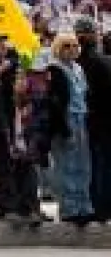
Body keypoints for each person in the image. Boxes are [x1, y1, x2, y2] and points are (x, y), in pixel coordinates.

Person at [0, 33, 39, 227]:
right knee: (3, 166)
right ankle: (7, 208)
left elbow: (27, 89)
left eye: (2, 43)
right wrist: (10, 63)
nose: (1, 46)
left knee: (25, 165)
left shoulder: (14, 64)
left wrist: (22, 78)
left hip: (18, 123)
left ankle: (28, 206)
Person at [47, 31, 96, 226]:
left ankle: (84, 205)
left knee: (83, 164)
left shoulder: (78, 68)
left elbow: (85, 94)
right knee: (66, 165)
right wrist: (62, 126)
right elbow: (55, 102)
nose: (72, 49)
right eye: (66, 46)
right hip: (66, 119)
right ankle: (69, 208)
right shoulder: (54, 69)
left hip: (81, 117)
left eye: (74, 45)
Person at [73, 17, 111, 220]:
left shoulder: (77, 63)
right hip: (101, 119)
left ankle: (96, 205)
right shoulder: (101, 61)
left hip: (91, 119)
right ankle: (102, 205)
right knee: (101, 163)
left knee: (94, 164)